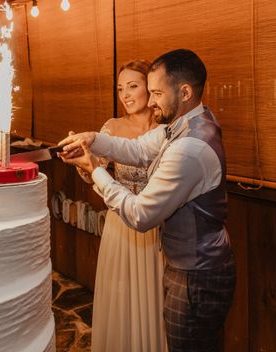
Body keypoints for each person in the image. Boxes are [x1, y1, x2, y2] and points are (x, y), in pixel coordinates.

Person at [60, 49, 235, 352]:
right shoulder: (181, 125)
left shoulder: (190, 147)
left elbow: (141, 215)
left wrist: (94, 169)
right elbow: (138, 150)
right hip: (189, 265)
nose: (151, 101)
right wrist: (92, 138)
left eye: (156, 93)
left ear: (184, 92)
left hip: (197, 275)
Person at [77, 60, 166, 352]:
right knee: (124, 296)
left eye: (133, 86)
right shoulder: (112, 127)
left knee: (157, 298)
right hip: (121, 224)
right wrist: (85, 164)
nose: (125, 95)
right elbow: (96, 171)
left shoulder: (166, 126)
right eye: (120, 89)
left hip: (160, 225)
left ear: (150, 88)